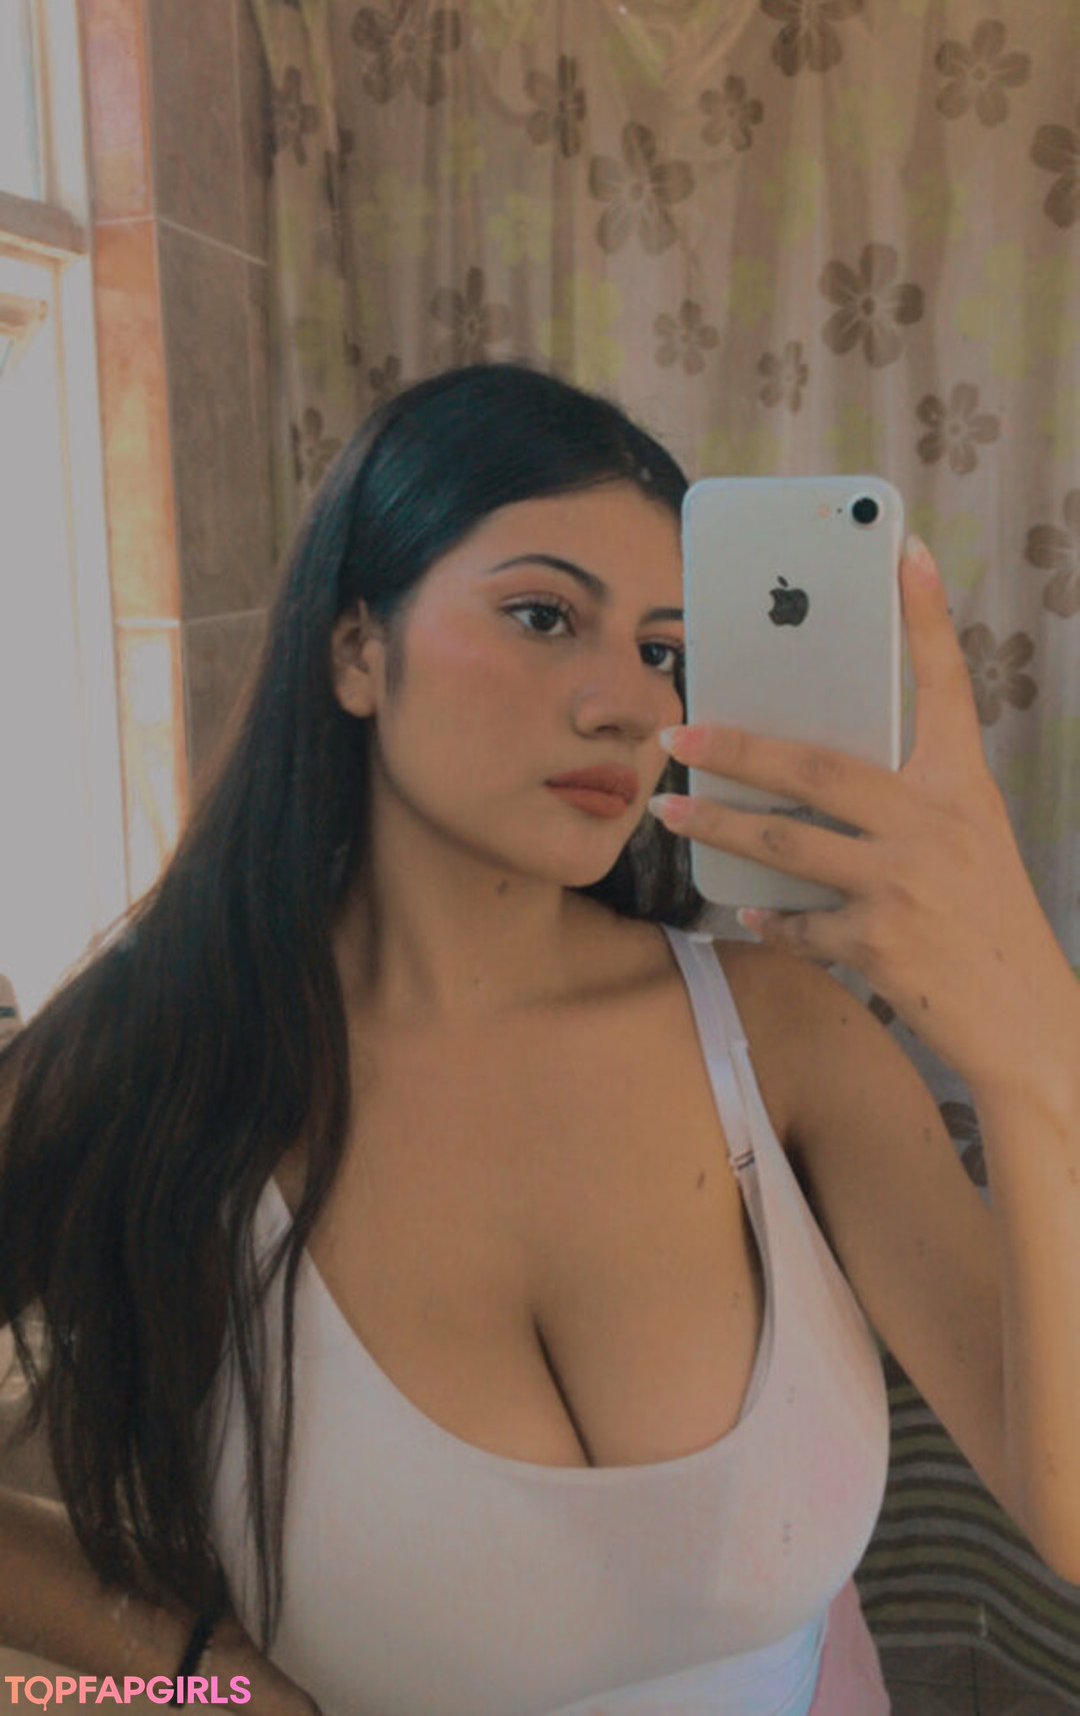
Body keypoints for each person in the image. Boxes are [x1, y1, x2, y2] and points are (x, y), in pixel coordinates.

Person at [2, 362, 1079, 1716]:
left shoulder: (784, 1039)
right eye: (543, 616)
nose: (629, 704)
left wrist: (1034, 1047)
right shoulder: (155, 1059)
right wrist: (189, 1677)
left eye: (663, 649)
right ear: (355, 649)